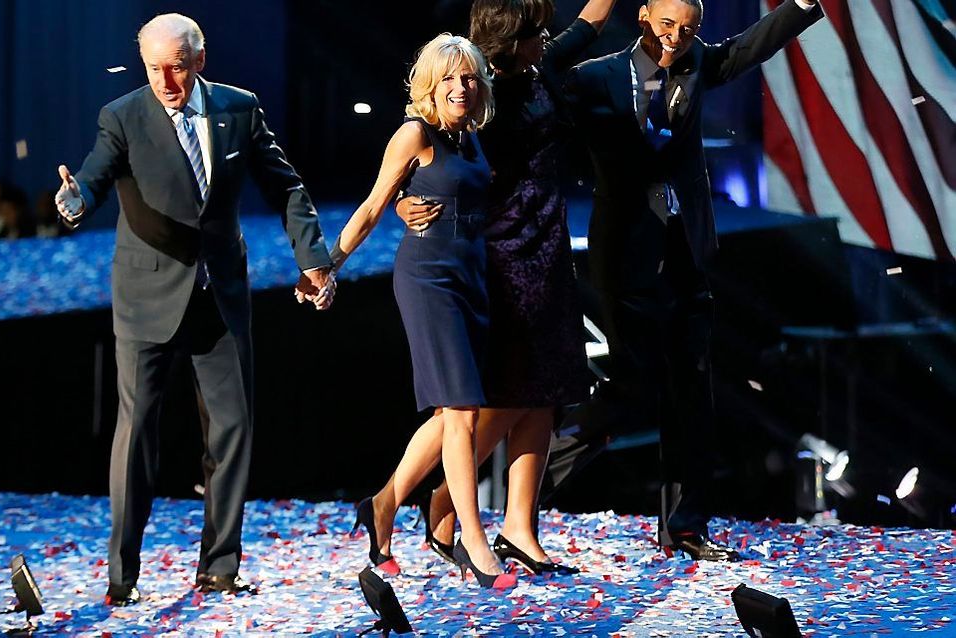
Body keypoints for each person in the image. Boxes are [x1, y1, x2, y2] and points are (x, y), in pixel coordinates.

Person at [54, 13, 334, 606]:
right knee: (137, 436)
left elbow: (284, 186)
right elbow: (94, 178)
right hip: (146, 296)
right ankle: (121, 576)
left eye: (176, 67)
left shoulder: (239, 108)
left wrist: (312, 258)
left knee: (232, 430)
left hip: (220, 295)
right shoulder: (123, 115)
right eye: (155, 68)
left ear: (199, 60)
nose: (166, 81)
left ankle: (220, 566)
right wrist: (74, 201)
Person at [562, 0, 823, 560]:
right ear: (641, 15)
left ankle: (683, 527)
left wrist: (800, 6)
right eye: (666, 26)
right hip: (625, 258)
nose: (677, 39)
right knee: (625, 390)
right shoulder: (595, 77)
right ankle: (529, 482)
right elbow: (527, 116)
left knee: (690, 393)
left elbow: (746, 49)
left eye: (688, 30)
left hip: (687, 255)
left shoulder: (699, 63)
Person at [395, 0, 615, 576]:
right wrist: (402, 200)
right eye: (535, 32)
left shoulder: (540, 67)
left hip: (546, 241)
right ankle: (423, 499)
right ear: (509, 38)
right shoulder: (477, 88)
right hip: (496, 248)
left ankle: (520, 526)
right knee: (499, 394)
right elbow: (427, 152)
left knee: (546, 388)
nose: (546, 38)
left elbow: (588, 24)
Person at [332, 33, 515, 589]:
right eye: (449, 79)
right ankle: (470, 543)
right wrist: (327, 265)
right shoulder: (416, 133)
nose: (461, 88)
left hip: (472, 280)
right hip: (427, 279)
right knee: (461, 413)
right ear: (429, 87)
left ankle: (383, 505)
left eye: (469, 78)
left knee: (447, 418)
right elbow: (372, 205)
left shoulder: (473, 138)